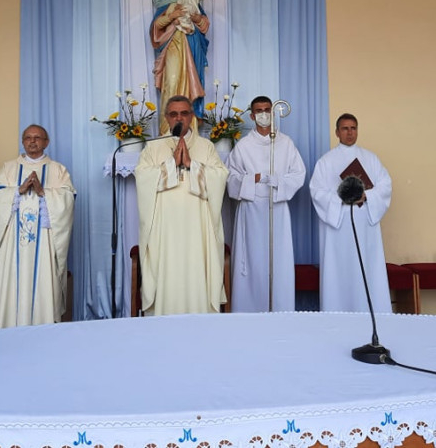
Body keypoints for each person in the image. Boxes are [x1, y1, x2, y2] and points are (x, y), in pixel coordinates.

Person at [134, 95, 228, 315]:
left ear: (191, 116)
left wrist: (191, 165)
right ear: (166, 117)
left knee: (197, 265)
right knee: (167, 266)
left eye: (184, 113)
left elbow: (220, 176)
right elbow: (142, 176)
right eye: (174, 114)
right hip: (164, 226)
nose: (179, 118)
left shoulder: (206, 146)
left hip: (198, 226)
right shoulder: (153, 147)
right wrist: (171, 165)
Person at [0, 125, 76, 328]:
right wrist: (19, 189)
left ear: (46, 142)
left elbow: (67, 200)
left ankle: (44, 326)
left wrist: (43, 192)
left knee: (44, 280)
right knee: (10, 280)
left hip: (45, 244)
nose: (32, 141)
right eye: (28, 138)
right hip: (11, 244)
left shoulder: (58, 170)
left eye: (37, 138)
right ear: (23, 141)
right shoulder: (8, 168)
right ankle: (8, 326)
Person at [227, 96, 305, 312]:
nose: (263, 114)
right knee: (252, 261)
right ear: (252, 116)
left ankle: (279, 309)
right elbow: (230, 178)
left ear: (273, 112)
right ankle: (249, 309)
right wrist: (252, 179)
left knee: (277, 260)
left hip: (276, 209)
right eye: (258, 111)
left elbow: (298, 174)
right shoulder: (243, 146)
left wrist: (278, 181)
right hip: (251, 210)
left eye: (267, 110)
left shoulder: (285, 143)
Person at [309, 113, 393, 313]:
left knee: (367, 268)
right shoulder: (326, 161)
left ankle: (370, 313)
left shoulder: (371, 159)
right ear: (337, 132)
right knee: (339, 270)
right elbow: (317, 191)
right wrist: (341, 197)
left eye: (353, 128)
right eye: (345, 128)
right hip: (339, 226)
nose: (349, 132)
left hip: (365, 225)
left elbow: (385, 186)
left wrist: (366, 196)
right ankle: (337, 312)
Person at [151, 0, 211, 133]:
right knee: (171, 82)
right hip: (173, 45)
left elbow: (204, 24)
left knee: (190, 85)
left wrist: (196, 18)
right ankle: (166, 131)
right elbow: (157, 26)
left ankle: (190, 131)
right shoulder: (166, 0)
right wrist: (172, 16)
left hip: (192, 45)